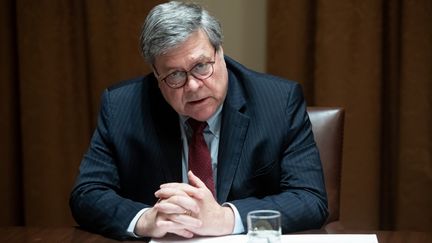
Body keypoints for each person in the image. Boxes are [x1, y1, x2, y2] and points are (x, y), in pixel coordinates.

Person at [69, 1, 328, 240]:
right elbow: (87, 194)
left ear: (220, 52)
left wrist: (226, 218)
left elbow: (310, 199)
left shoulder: (278, 102)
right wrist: (145, 219)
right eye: (174, 75)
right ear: (156, 75)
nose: (193, 86)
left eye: (201, 66)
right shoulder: (123, 107)